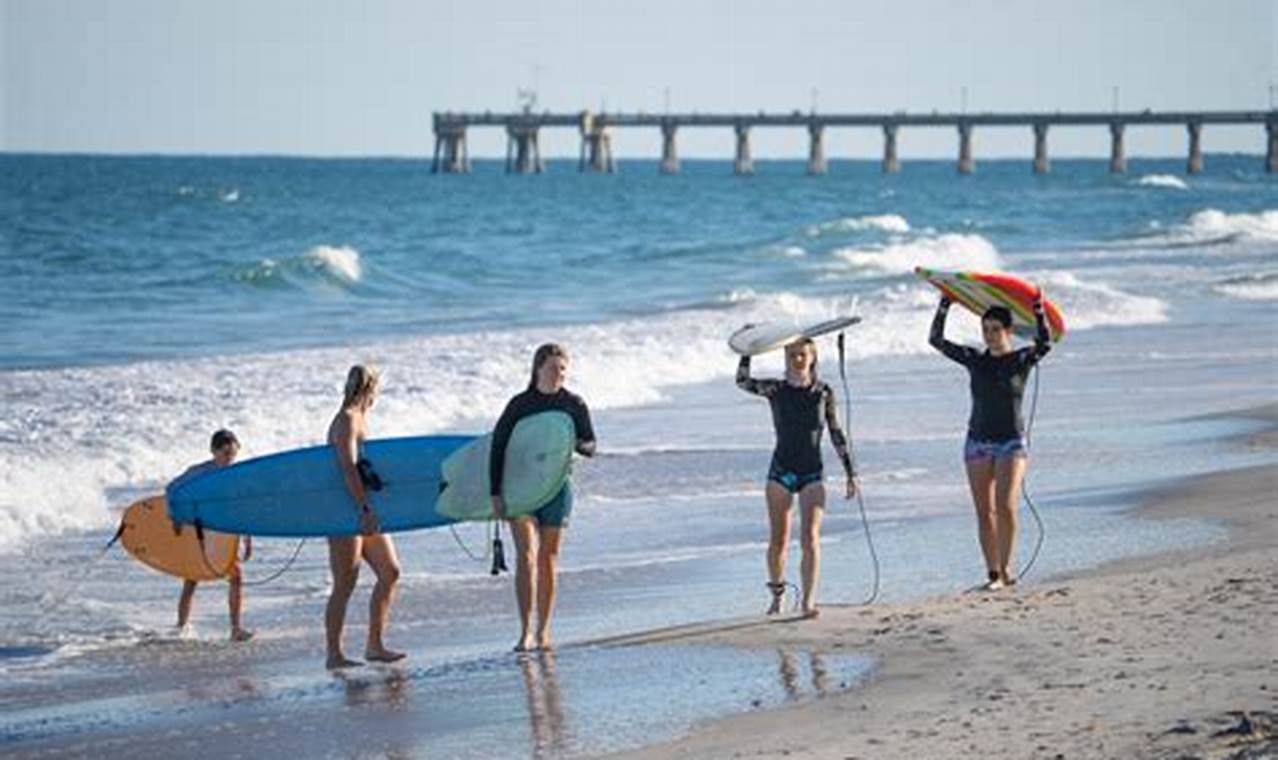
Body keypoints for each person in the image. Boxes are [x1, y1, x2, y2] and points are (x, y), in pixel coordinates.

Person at [928, 291, 1052, 591]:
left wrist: (1037, 310)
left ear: (1008, 331)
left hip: (1012, 441)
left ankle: (1007, 568)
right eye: (986, 330)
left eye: (996, 329)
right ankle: (993, 573)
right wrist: (945, 304)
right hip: (978, 441)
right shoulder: (974, 360)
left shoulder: (1021, 359)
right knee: (984, 512)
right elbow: (936, 340)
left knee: (1006, 506)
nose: (990, 335)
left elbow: (1045, 342)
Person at [736, 337, 857, 618]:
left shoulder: (824, 392)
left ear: (812, 357)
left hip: (813, 472)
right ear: (785, 357)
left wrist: (850, 471)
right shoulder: (775, 389)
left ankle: (808, 602)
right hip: (781, 472)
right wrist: (747, 351)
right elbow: (742, 381)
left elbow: (836, 431)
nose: (797, 359)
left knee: (810, 538)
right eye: (792, 354)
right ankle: (777, 595)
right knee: (778, 540)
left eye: (802, 354)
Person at [490, 343, 596, 652]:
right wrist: (495, 492)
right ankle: (525, 632)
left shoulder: (573, 404)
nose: (559, 373)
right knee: (526, 555)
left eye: (563, 368)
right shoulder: (520, 405)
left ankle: (544, 631)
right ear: (538, 368)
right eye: (553, 367)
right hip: (520, 488)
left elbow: (591, 445)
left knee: (548, 559)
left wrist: (576, 443)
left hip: (556, 489)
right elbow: (498, 447)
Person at [325, 364, 405, 669]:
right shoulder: (346, 420)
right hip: (345, 512)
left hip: (363, 506)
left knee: (390, 571)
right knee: (345, 582)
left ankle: (375, 645)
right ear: (369, 389)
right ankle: (334, 654)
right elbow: (347, 468)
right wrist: (365, 508)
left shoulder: (360, 418)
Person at [173, 428, 253, 642]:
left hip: (226, 533)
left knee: (236, 578)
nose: (229, 459)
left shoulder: (236, 475)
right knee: (191, 579)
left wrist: (248, 538)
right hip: (201, 532)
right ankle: (181, 628)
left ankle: (236, 628)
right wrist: (177, 519)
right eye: (225, 454)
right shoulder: (198, 473)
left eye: (233, 454)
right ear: (213, 451)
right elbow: (173, 489)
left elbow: (241, 508)